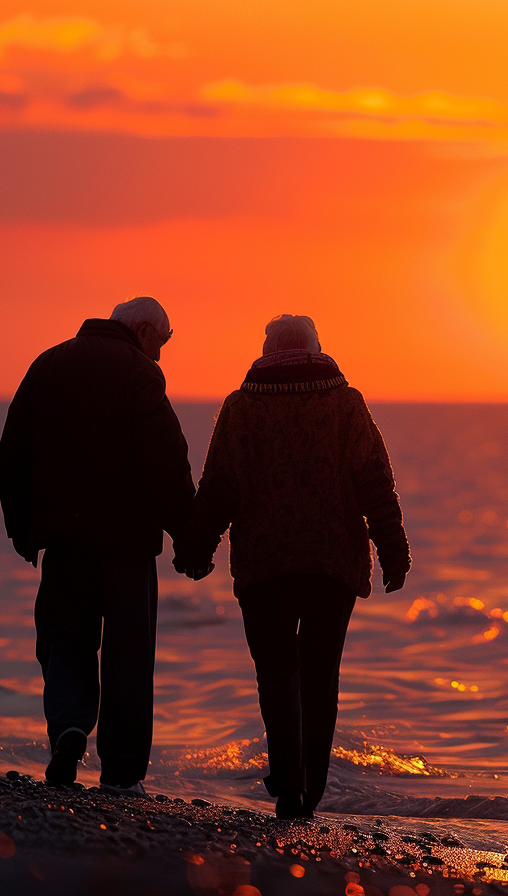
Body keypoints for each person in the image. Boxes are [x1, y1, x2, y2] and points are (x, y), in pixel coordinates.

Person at [177, 314, 410, 819]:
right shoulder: (346, 405)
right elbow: (375, 484)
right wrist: (394, 552)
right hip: (332, 564)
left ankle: (287, 784)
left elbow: (219, 488)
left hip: (265, 566)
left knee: (277, 674)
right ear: (315, 348)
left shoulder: (241, 409)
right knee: (320, 676)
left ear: (267, 351)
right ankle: (310, 790)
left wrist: (196, 550)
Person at [0, 296, 194, 794]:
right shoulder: (140, 374)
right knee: (128, 656)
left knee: (64, 639)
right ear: (145, 330)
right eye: (163, 343)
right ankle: (123, 771)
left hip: (63, 542)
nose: (161, 355)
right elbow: (166, 461)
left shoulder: (48, 363)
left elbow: (12, 454)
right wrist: (190, 537)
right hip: (127, 545)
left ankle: (68, 726)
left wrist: (21, 528)